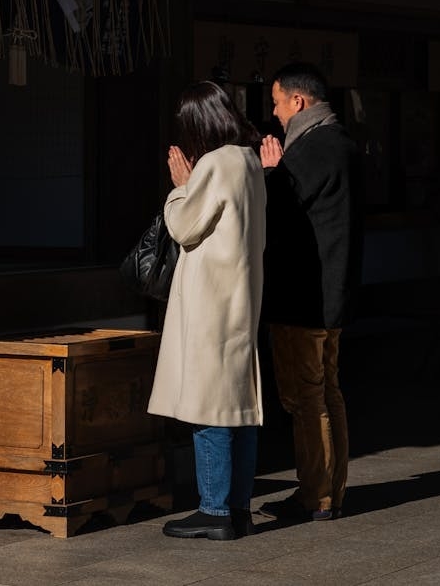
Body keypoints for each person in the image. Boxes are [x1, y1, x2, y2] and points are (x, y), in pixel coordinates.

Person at [148, 81, 267, 541]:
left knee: (208, 407)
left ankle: (213, 510)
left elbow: (182, 226)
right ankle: (239, 508)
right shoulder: (249, 160)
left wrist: (180, 187)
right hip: (240, 297)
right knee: (238, 406)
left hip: (210, 303)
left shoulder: (217, 165)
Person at [257, 62, 362, 523]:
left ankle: (314, 495)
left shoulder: (311, 148)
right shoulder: (344, 143)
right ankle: (330, 492)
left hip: (304, 296)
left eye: (278, 103)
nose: (276, 114)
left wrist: (271, 172)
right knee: (328, 392)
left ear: (298, 102)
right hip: (332, 295)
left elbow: (279, 215)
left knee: (305, 397)